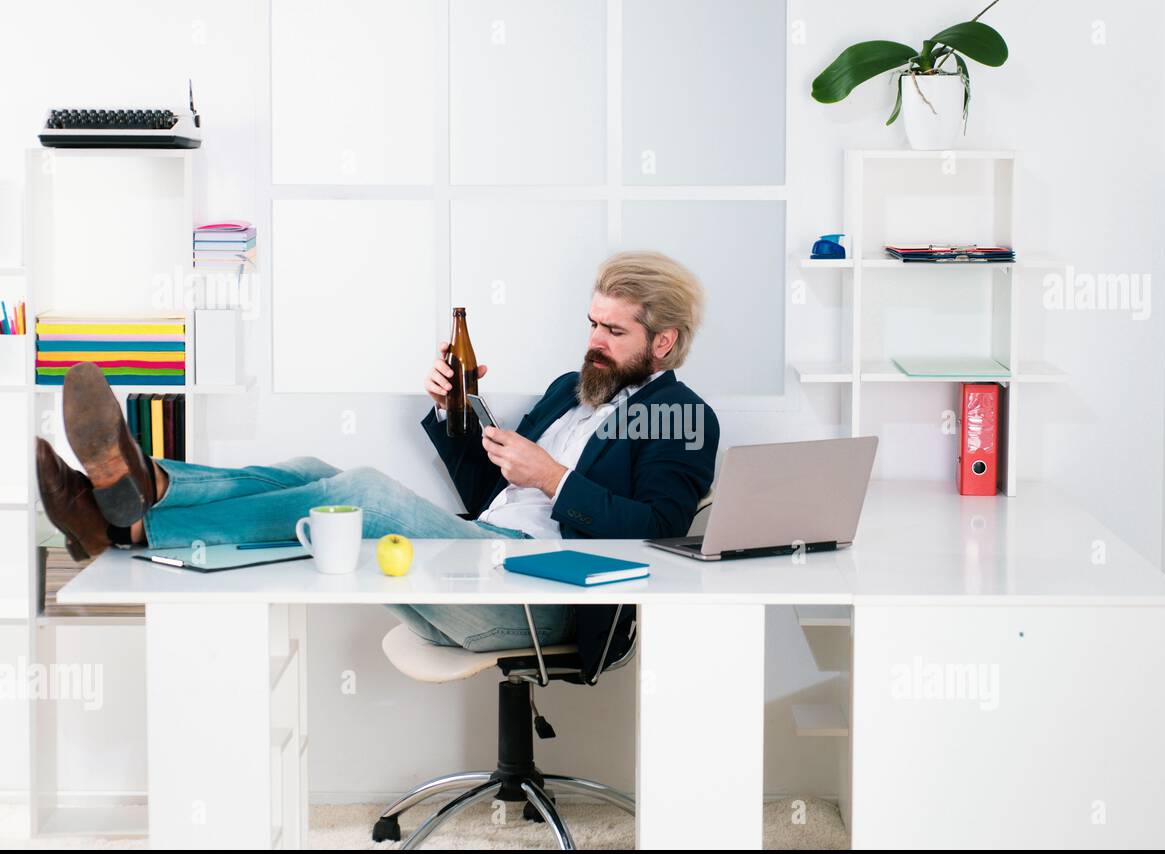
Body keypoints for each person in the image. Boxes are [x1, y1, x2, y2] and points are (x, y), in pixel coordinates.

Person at [35, 251, 720, 656]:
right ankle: (146, 484)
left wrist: (554, 478)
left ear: (663, 342)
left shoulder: (683, 416)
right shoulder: (567, 391)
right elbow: (486, 495)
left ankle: (129, 525)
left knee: (359, 492)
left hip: (543, 602)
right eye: (592, 322)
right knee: (310, 471)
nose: (594, 340)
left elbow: (660, 533)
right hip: (485, 552)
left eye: (614, 331)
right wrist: (449, 412)